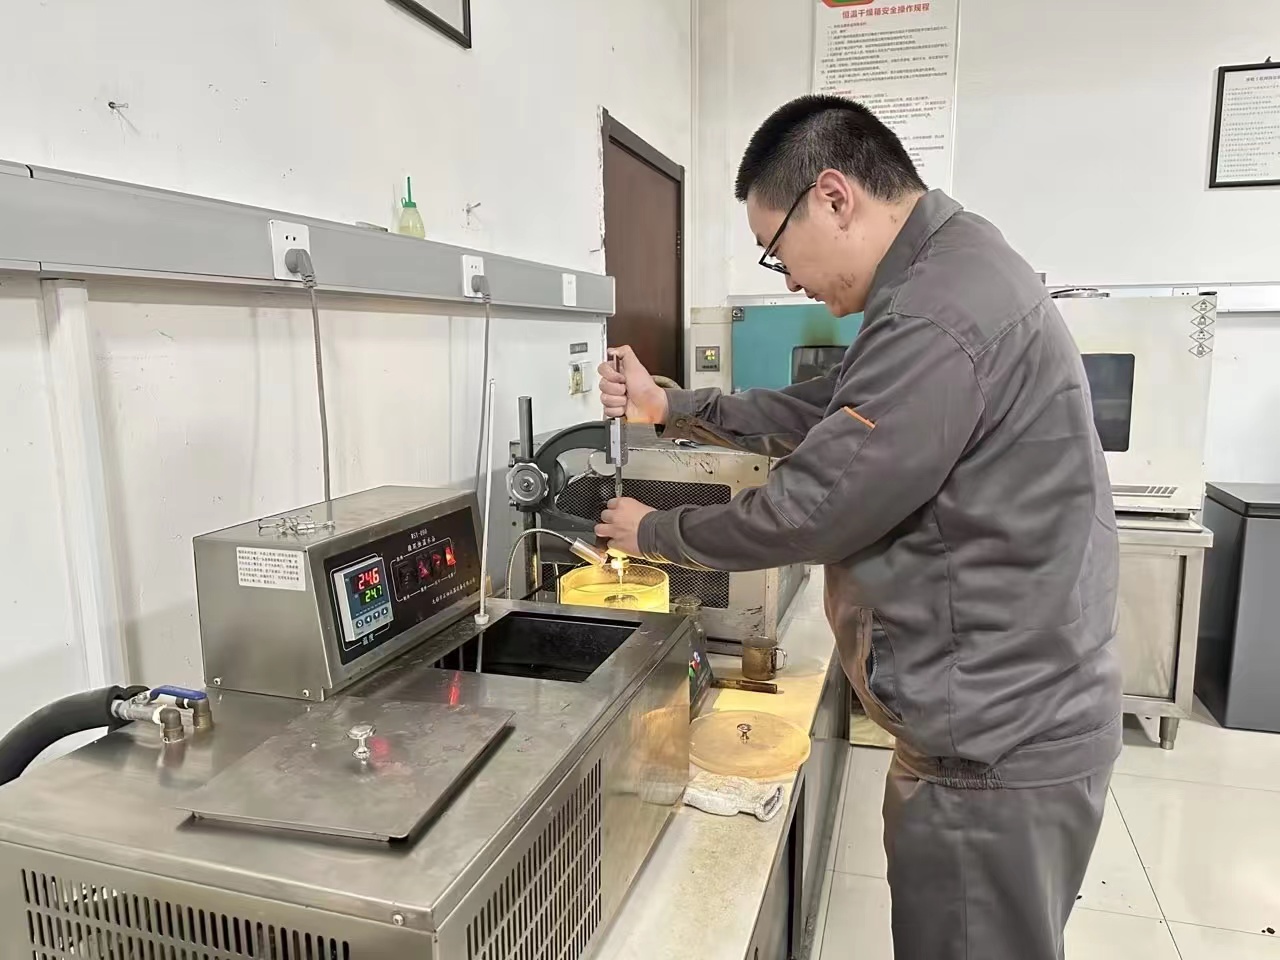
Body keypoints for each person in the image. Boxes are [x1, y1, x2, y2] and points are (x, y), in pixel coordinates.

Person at [596, 95, 1121, 960]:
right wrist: (675, 407)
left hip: (994, 747)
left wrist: (654, 533)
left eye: (777, 251)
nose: (789, 281)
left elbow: (813, 507)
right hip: (1014, 714)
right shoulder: (950, 267)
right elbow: (832, 409)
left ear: (833, 197)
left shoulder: (935, 311)